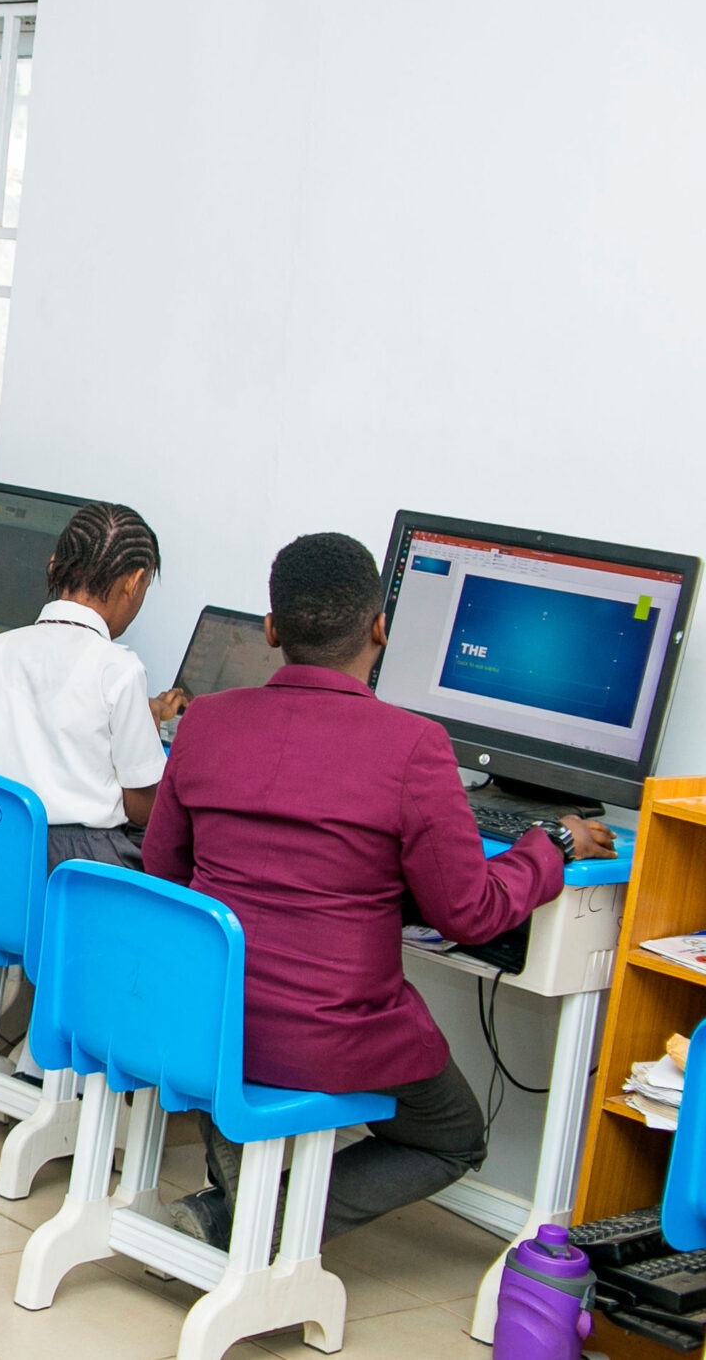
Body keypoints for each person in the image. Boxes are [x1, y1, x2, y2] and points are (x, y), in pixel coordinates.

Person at [145, 532, 615, 1247]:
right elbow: (470, 912)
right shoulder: (414, 745)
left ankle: (238, 1194)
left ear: (272, 629)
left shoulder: (205, 721)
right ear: (380, 628)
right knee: (455, 1134)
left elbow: (165, 876)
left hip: (206, 1020)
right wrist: (548, 846)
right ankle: (252, 1220)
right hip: (328, 1037)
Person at [0, 502, 186, 868]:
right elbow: (141, 809)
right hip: (80, 861)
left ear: (54, 565)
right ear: (134, 583)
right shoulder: (120, 668)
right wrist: (147, 728)